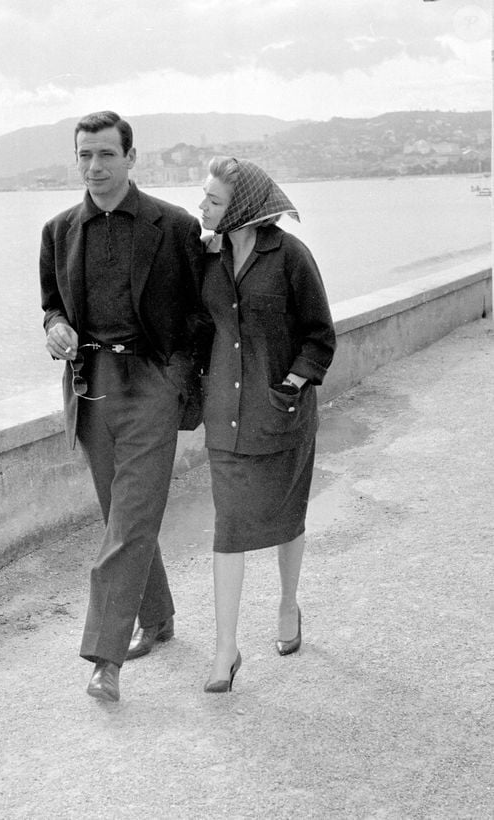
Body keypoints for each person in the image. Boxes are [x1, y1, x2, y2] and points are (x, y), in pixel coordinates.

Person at [40, 110, 205, 702]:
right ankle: (157, 618)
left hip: (151, 385)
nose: (94, 167)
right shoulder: (58, 230)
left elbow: (199, 316)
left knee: (130, 520)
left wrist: (175, 380)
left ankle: (104, 658)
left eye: (106, 154)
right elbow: (51, 305)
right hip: (92, 388)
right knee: (123, 517)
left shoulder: (176, 226)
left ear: (131, 157)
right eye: (85, 155)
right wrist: (55, 328)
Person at [198, 156, 336, 693]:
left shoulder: (291, 257)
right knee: (228, 528)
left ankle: (287, 604)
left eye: (212, 200)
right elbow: (194, 325)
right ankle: (225, 648)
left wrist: (295, 384)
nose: (201, 207)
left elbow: (320, 334)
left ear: (244, 208)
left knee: (286, 517)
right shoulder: (204, 258)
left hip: (281, 415)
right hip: (225, 420)